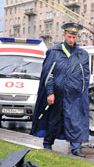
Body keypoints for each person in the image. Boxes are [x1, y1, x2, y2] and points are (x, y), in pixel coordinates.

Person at [30, 22, 90, 157]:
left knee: (75, 121)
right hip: (57, 94)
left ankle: (76, 148)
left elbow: (85, 76)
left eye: (74, 37)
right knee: (54, 120)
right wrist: (50, 92)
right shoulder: (54, 52)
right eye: (69, 36)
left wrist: (81, 92)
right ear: (64, 35)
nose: (71, 40)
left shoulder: (82, 54)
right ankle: (48, 143)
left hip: (74, 95)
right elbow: (48, 74)